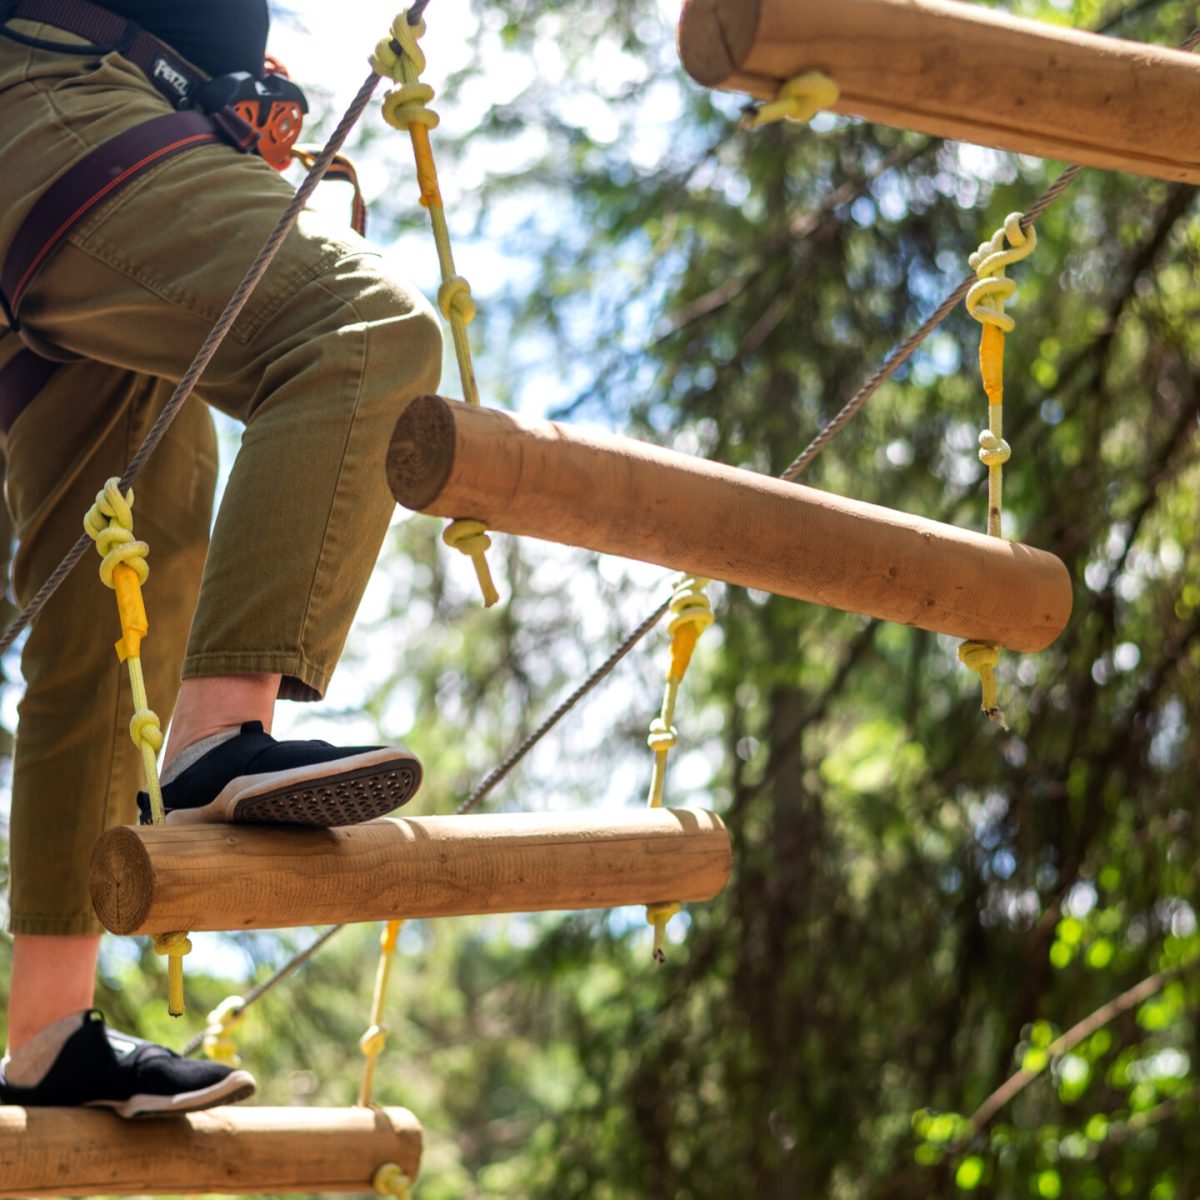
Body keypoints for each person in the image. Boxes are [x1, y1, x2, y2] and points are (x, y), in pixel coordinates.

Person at [0, 0, 442, 1115]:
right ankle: (218, 738)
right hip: (60, 107)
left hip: (84, 130)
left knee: (123, 587)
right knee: (359, 332)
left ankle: (44, 1038)